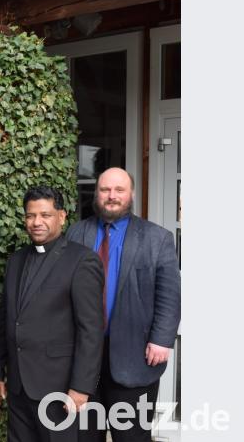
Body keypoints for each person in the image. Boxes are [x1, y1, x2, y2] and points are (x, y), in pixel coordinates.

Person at [66, 167, 180, 442]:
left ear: (131, 194)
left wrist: (162, 339)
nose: (112, 196)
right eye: (105, 190)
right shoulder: (76, 233)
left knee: (132, 436)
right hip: (82, 360)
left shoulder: (158, 238)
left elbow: (169, 295)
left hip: (135, 357)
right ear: (96, 194)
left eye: (119, 190)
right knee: (83, 436)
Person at [0, 186, 104, 442]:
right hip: (19, 388)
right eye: (30, 216)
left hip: (59, 391)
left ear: (61, 217)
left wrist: (81, 387)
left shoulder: (82, 261)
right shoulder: (16, 260)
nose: (36, 222)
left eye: (45, 215)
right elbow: (5, 319)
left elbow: (91, 331)